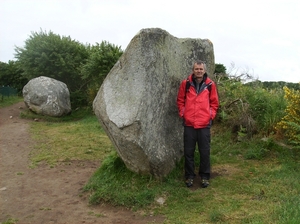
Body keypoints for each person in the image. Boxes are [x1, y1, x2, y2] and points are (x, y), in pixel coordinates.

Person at [176, 60, 219, 188]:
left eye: (201, 69)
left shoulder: (210, 85)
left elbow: (214, 103)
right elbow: (180, 100)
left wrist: (210, 116)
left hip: (204, 124)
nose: (199, 71)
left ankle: (205, 177)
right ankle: (189, 176)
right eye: (196, 69)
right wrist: (183, 113)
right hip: (189, 124)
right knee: (188, 152)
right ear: (193, 70)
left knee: (204, 152)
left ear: (204, 70)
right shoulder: (186, 84)